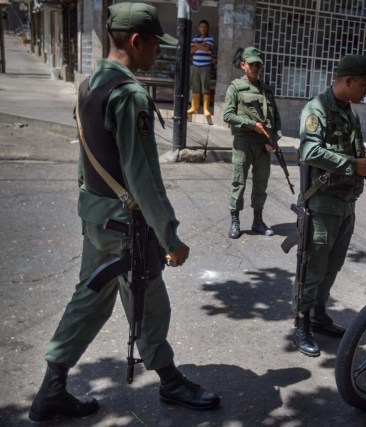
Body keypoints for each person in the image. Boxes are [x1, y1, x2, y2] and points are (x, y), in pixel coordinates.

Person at [28, 3, 220, 422]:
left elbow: (86, 160)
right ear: (137, 41)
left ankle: (51, 389)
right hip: (125, 226)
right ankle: (170, 383)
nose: (159, 53)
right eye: (155, 44)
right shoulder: (129, 94)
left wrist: (88, 204)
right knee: (150, 304)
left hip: (97, 217)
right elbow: (144, 178)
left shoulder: (89, 84)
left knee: (89, 299)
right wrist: (170, 237)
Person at [291, 55, 366, 357]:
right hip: (322, 204)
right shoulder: (317, 109)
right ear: (348, 81)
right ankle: (301, 324)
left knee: (332, 266)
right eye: (365, 84)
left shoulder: (349, 113)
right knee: (312, 266)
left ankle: (319, 315)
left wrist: (364, 165)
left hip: (345, 203)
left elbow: (355, 151)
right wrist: (351, 165)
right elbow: (308, 150)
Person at [222, 47, 281, 239]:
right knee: (239, 182)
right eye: (252, 64)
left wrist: (275, 140)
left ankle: (258, 221)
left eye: (259, 65)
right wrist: (251, 124)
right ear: (243, 65)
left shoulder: (267, 91)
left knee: (261, 183)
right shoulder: (235, 88)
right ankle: (235, 221)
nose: (255, 68)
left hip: (263, 144)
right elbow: (228, 115)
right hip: (243, 142)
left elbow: (276, 119)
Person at [186, 19, 215, 117]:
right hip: (195, 65)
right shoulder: (194, 38)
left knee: (205, 87)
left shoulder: (210, 38)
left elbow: (206, 49)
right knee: (195, 86)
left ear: (207, 28)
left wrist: (197, 45)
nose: (203, 28)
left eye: (205, 27)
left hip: (205, 66)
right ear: (199, 28)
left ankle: (206, 109)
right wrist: (201, 45)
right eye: (201, 26)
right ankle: (194, 107)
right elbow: (190, 51)